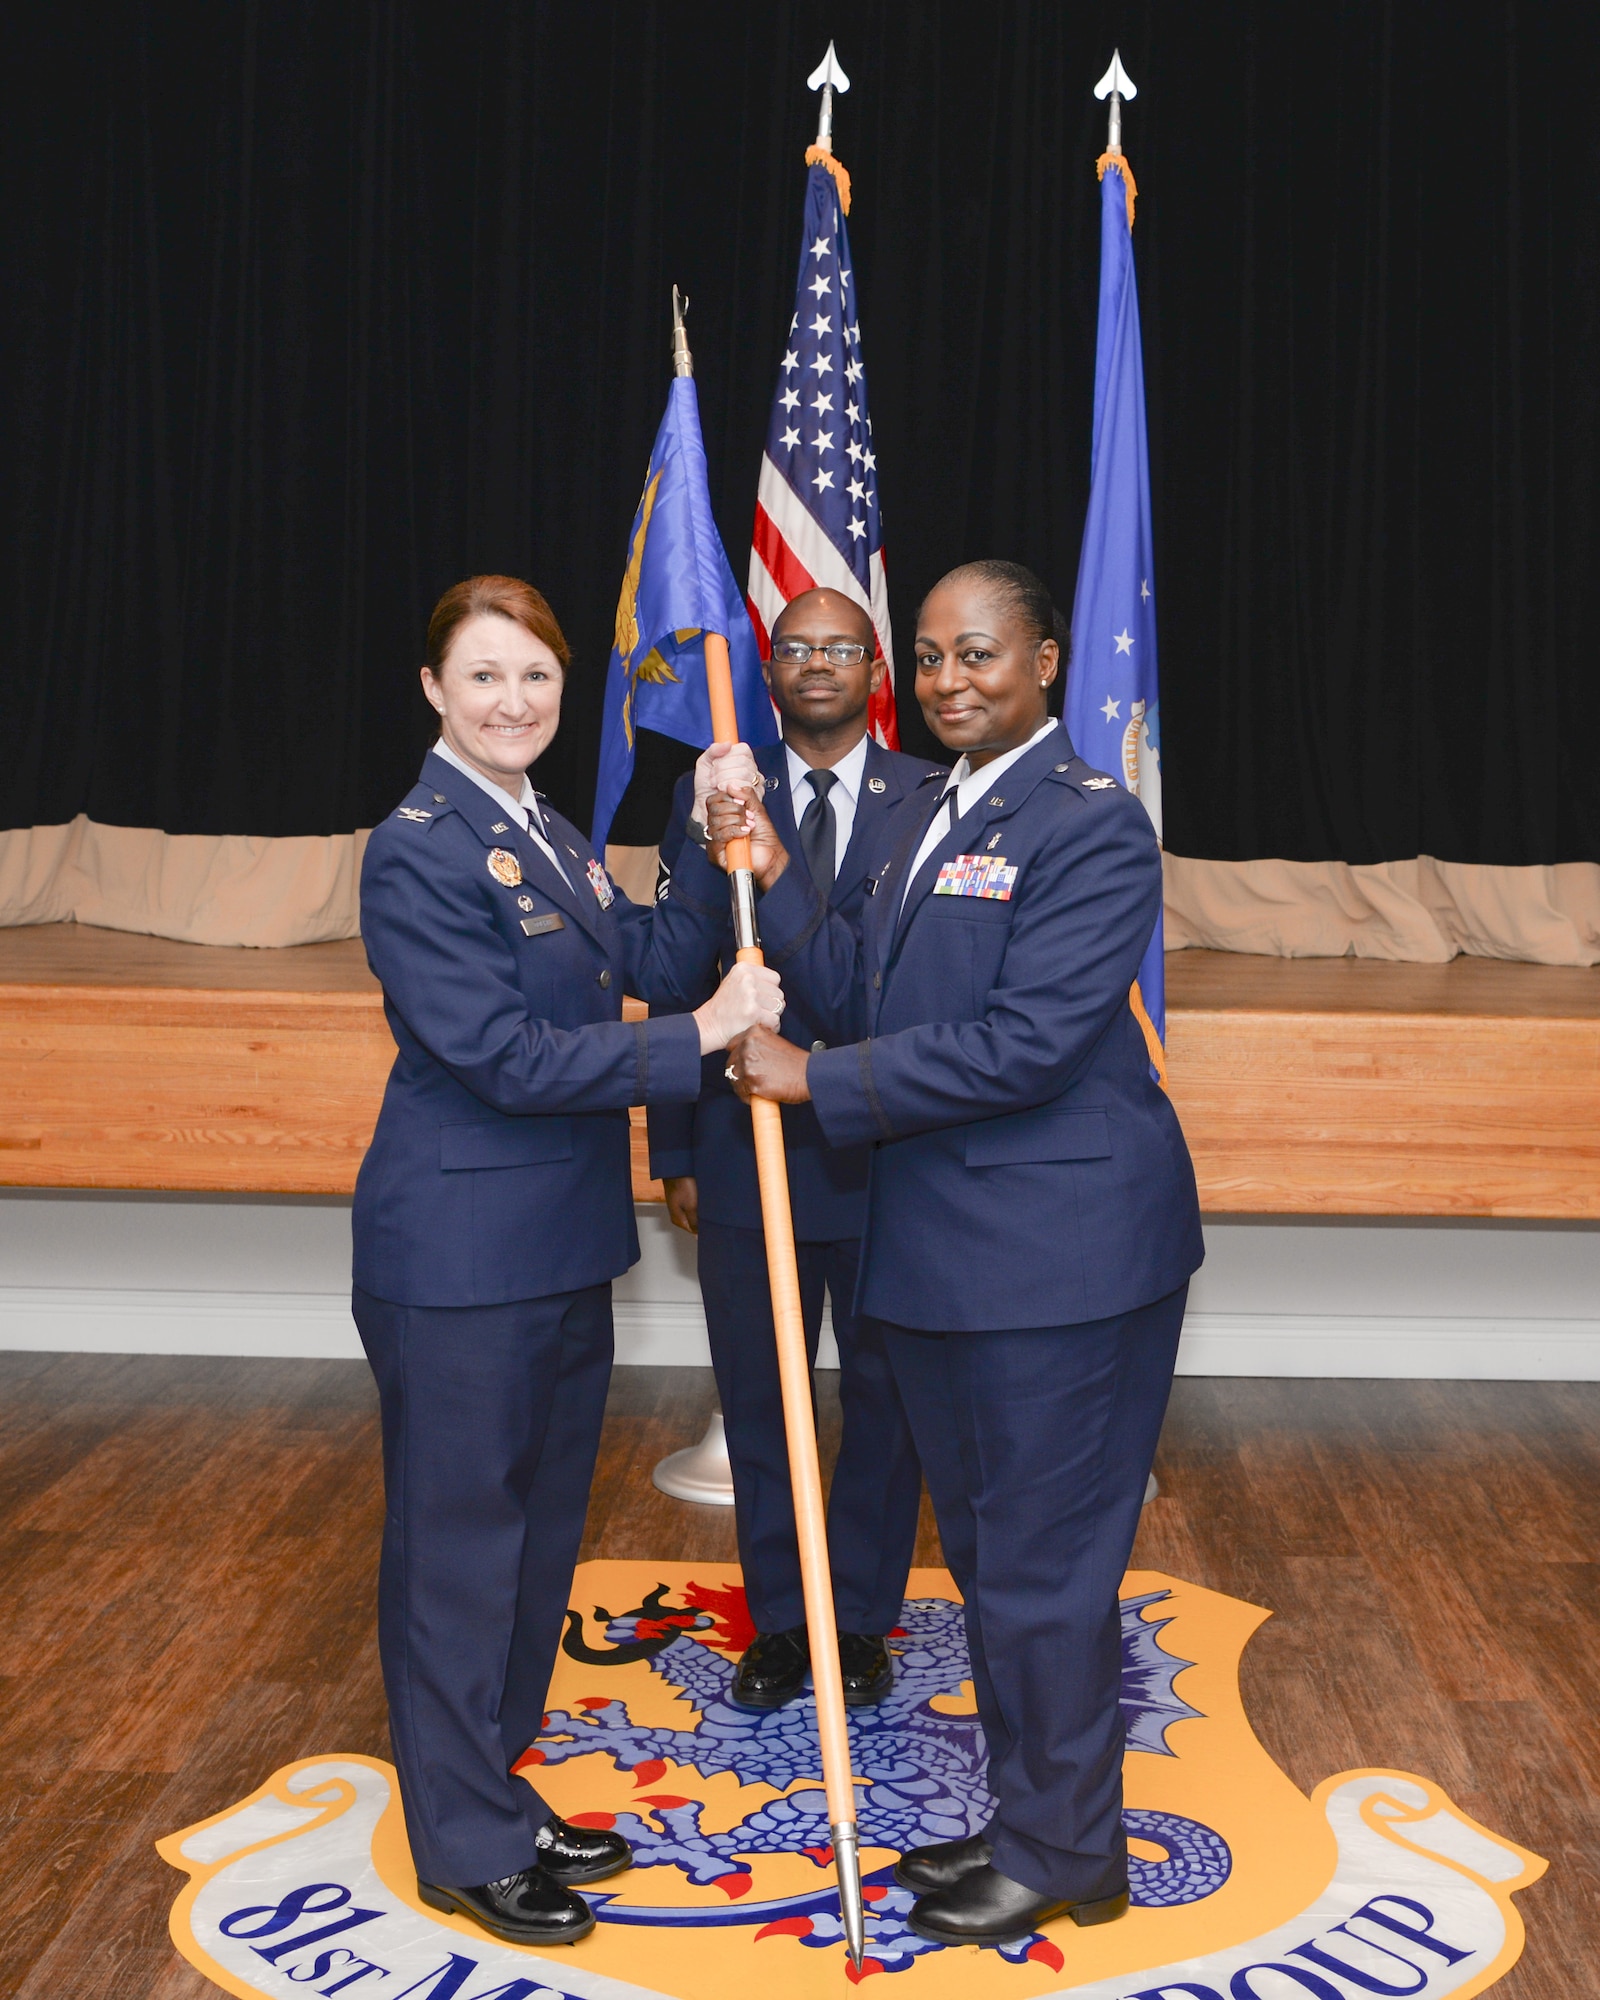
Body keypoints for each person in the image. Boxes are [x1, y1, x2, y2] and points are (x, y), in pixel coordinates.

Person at [700, 560, 1204, 1948]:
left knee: (1043, 1571)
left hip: (1059, 1262)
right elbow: (855, 975)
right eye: (924, 658)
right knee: (995, 1566)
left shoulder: (1091, 824)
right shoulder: (941, 810)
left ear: (1044, 663)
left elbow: (1032, 1043)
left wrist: (817, 1084)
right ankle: (1048, 1823)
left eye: (977, 653)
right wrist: (769, 864)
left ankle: (1061, 1853)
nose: (946, 680)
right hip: (954, 1260)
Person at [352, 575, 780, 1951]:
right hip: (459, 1258)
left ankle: (494, 1787)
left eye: (534, 678)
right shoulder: (418, 846)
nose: (513, 702)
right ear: (434, 691)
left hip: (557, 1251)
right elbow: (503, 1058)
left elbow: (648, 950)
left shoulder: (544, 830)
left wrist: (702, 824)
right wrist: (708, 1033)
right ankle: (461, 1845)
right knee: (458, 1557)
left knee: (535, 1554)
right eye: (484, 678)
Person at [648, 587, 943, 1711]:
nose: (816, 663)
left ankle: (857, 1620)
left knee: (883, 1402)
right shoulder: (717, 790)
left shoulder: (929, 796)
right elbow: (676, 972)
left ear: (876, 669)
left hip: (885, 1153)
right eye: (794, 646)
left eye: (841, 647)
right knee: (761, 1398)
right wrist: (672, 1140)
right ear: (766, 669)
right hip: (743, 1147)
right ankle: (781, 1621)